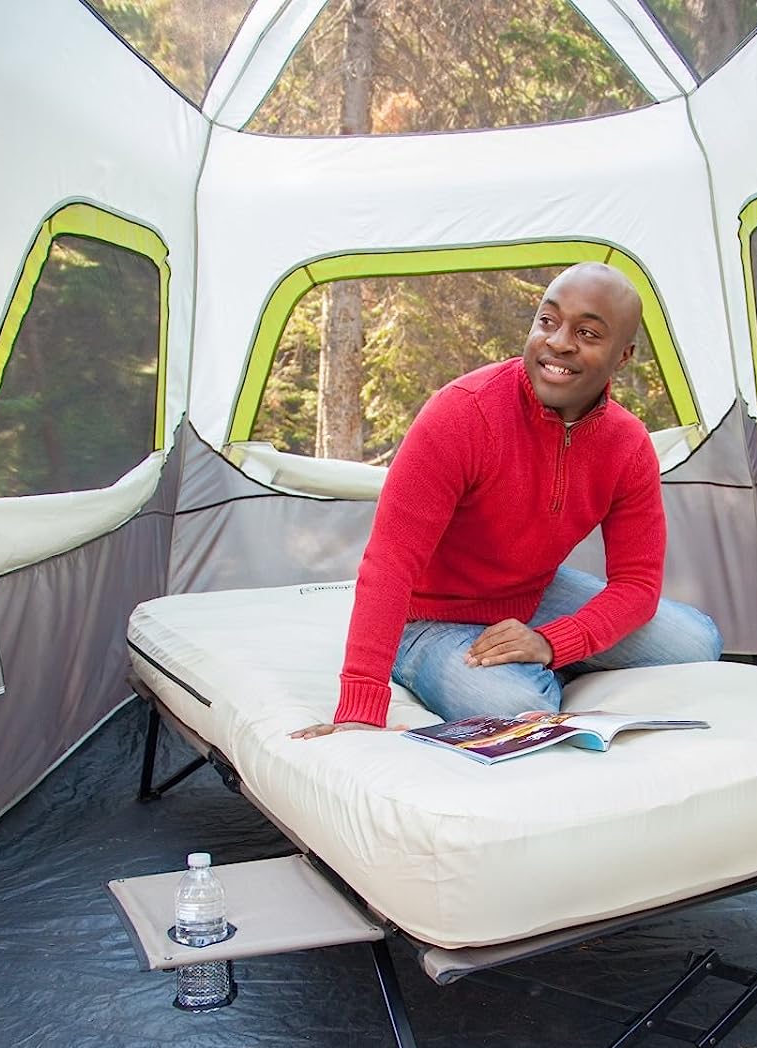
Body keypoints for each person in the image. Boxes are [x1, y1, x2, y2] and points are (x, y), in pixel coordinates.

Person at [291, 261, 722, 740]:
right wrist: (361, 706)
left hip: (534, 594)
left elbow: (637, 584)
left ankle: (536, 660)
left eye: (587, 333)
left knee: (696, 641)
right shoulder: (462, 414)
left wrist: (551, 643)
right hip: (430, 615)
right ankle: (449, 665)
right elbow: (389, 564)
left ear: (623, 356)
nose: (559, 342)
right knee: (517, 707)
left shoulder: (628, 444)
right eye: (548, 321)